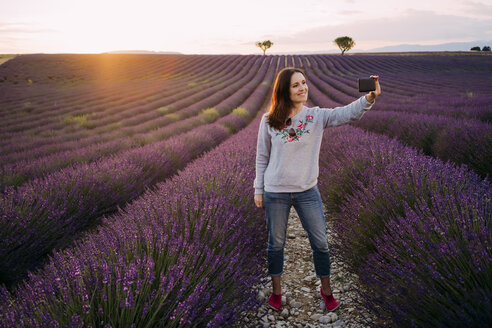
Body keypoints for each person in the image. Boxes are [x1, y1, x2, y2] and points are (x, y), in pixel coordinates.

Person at [253, 67, 381, 312]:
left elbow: (347, 114)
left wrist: (369, 99)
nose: (303, 88)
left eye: (304, 83)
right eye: (295, 85)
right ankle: (277, 292)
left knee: (321, 243)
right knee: (275, 244)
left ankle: (327, 290)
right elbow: (262, 157)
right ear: (284, 90)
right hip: (275, 191)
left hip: (307, 191)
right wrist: (258, 189)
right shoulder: (269, 120)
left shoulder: (316, 116)